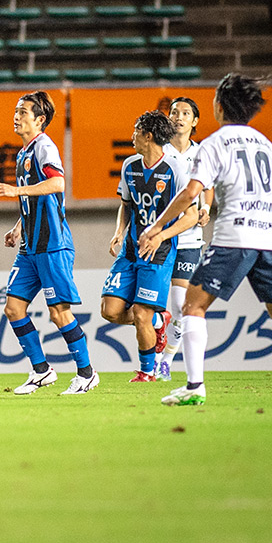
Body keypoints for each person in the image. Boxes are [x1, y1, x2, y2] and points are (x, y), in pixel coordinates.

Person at [140, 74, 272, 406]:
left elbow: (191, 192)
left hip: (234, 237)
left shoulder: (214, 144)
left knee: (192, 307)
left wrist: (156, 225)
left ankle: (194, 386)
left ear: (220, 107)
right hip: (270, 240)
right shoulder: (265, 144)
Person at [0, 91, 99, 395]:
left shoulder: (44, 147)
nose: (16, 116)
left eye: (23, 112)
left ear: (40, 120)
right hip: (30, 246)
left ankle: (86, 374)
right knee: (13, 308)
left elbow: (57, 183)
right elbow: (36, 199)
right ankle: (41, 371)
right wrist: (18, 226)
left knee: (59, 312)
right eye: (16, 111)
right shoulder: (23, 153)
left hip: (52, 244)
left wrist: (15, 191)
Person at [101, 111, 198, 382]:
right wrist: (119, 232)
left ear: (148, 135)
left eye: (136, 131)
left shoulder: (176, 169)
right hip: (130, 251)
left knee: (141, 313)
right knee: (110, 311)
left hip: (159, 253)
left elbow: (191, 216)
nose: (132, 136)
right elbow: (126, 205)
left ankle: (147, 371)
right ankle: (159, 320)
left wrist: (161, 236)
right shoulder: (129, 165)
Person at [155, 98, 214, 380]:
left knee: (180, 307)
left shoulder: (201, 153)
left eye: (185, 113)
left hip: (189, 240)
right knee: (151, 308)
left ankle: (165, 361)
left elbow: (208, 187)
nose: (178, 117)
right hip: (160, 239)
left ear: (195, 121)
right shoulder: (159, 151)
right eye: (174, 112)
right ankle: (151, 358)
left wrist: (206, 207)